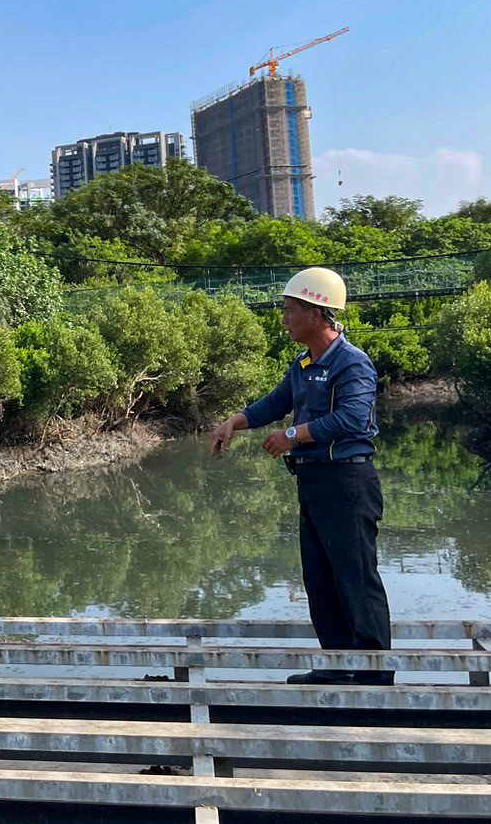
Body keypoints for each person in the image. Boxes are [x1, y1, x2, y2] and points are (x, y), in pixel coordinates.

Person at [208, 267, 392, 686]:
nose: (284, 317)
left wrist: (293, 435)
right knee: (320, 579)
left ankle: (375, 678)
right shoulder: (305, 363)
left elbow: (352, 418)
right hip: (313, 483)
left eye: (289, 309)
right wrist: (233, 422)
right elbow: (277, 401)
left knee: (356, 576)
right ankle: (338, 666)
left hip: (348, 482)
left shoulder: (353, 363)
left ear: (315, 311)